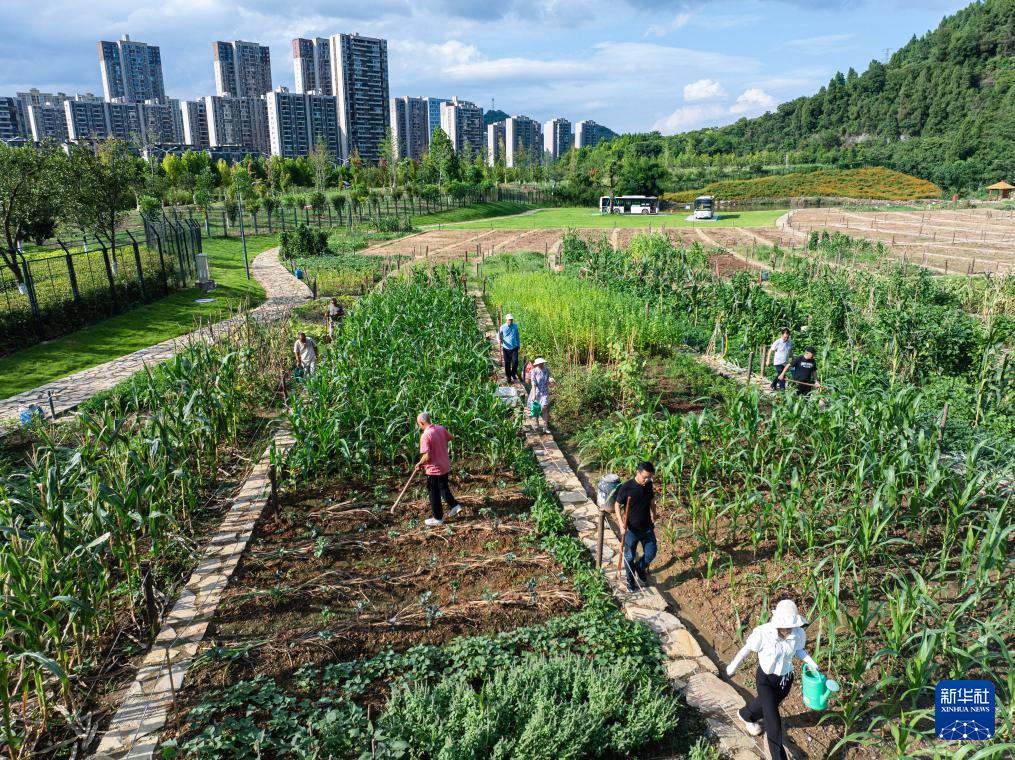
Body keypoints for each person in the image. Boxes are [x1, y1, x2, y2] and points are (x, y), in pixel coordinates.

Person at [726, 599, 822, 760]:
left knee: (766, 704)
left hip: (785, 680)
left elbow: (799, 650)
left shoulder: (798, 633)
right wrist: (733, 666)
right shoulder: (763, 634)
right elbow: (746, 650)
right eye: (786, 625)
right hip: (766, 680)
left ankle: (745, 714)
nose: (789, 629)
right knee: (773, 723)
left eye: (792, 624)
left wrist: (812, 663)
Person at [613, 462, 657, 592]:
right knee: (629, 557)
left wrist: (654, 514)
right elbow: (616, 505)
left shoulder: (649, 484)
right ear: (638, 473)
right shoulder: (626, 487)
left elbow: (651, 500)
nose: (648, 480)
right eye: (645, 477)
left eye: (650, 477)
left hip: (647, 526)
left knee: (651, 552)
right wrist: (621, 523)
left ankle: (639, 567)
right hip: (631, 529)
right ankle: (630, 581)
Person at [415, 412, 463, 527]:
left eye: (419, 425)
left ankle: (437, 518)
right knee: (443, 487)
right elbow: (450, 437)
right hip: (444, 465)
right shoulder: (440, 429)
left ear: (422, 423)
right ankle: (455, 506)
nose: (419, 427)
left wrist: (420, 463)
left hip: (434, 469)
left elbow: (427, 456)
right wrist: (440, 443)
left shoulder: (425, 435)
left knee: (433, 492)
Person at [527, 357, 555, 433]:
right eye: (540, 364)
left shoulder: (546, 370)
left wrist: (551, 382)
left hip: (545, 391)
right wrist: (533, 395)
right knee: (536, 408)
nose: (542, 365)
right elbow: (533, 383)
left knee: (544, 408)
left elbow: (547, 380)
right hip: (536, 391)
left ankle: (545, 427)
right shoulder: (534, 371)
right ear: (537, 364)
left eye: (542, 363)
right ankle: (536, 420)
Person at [498, 313, 520, 384]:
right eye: (509, 320)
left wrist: (518, 344)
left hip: (514, 347)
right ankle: (508, 376)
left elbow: (517, 336)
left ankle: (513, 374)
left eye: (511, 320)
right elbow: (498, 335)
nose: (510, 321)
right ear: (506, 320)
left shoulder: (515, 326)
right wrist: (499, 340)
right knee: (507, 363)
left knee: (515, 362)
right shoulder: (502, 327)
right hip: (506, 348)